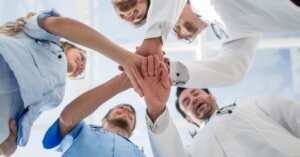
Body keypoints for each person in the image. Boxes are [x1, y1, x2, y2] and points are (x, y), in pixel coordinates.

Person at [0, 9, 145, 154]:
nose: (82, 65)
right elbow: (62, 26)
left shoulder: (56, 96)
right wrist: (127, 62)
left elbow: (26, 118)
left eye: (81, 71)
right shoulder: (47, 39)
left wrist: (8, 148)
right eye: (82, 57)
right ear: (69, 45)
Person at [132, 58, 300, 157]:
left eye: (196, 93)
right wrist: (156, 107)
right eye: (187, 102)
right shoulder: (193, 151)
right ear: (189, 119)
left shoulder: (255, 105)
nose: (194, 100)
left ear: (212, 96)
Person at [117, 0, 300, 91]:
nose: (180, 35)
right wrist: (169, 71)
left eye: (174, 28)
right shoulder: (232, 34)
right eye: (183, 37)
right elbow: (233, 70)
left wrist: (154, 38)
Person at [42, 73, 145, 157]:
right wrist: (122, 81)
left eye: (131, 113)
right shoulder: (81, 130)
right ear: (103, 120)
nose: (127, 109)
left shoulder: (141, 154)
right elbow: (67, 118)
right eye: (120, 108)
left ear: (132, 132)